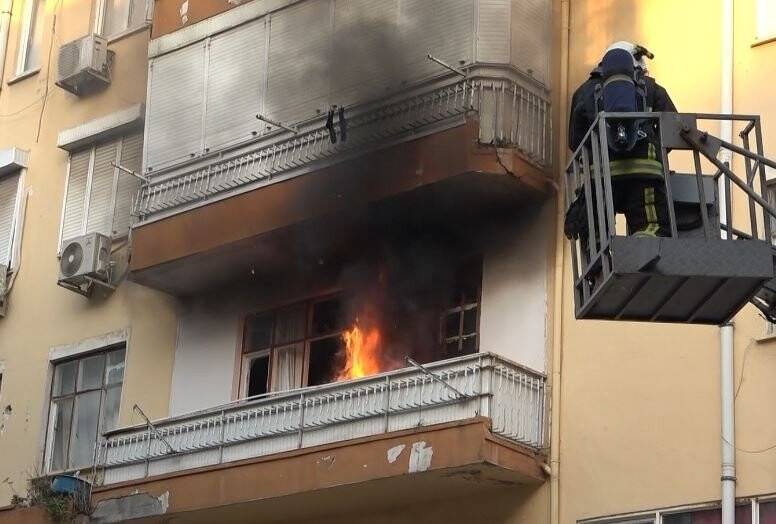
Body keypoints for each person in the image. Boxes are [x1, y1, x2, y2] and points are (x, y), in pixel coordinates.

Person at [566, 41, 677, 242]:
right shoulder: (651, 87)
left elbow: (575, 141)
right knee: (650, 225)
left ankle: (600, 257)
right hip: (645, 173)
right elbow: (674, 129)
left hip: (601, 176)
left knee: (596, 227)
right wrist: (655, 154)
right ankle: (644, 256)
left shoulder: (583, 92)